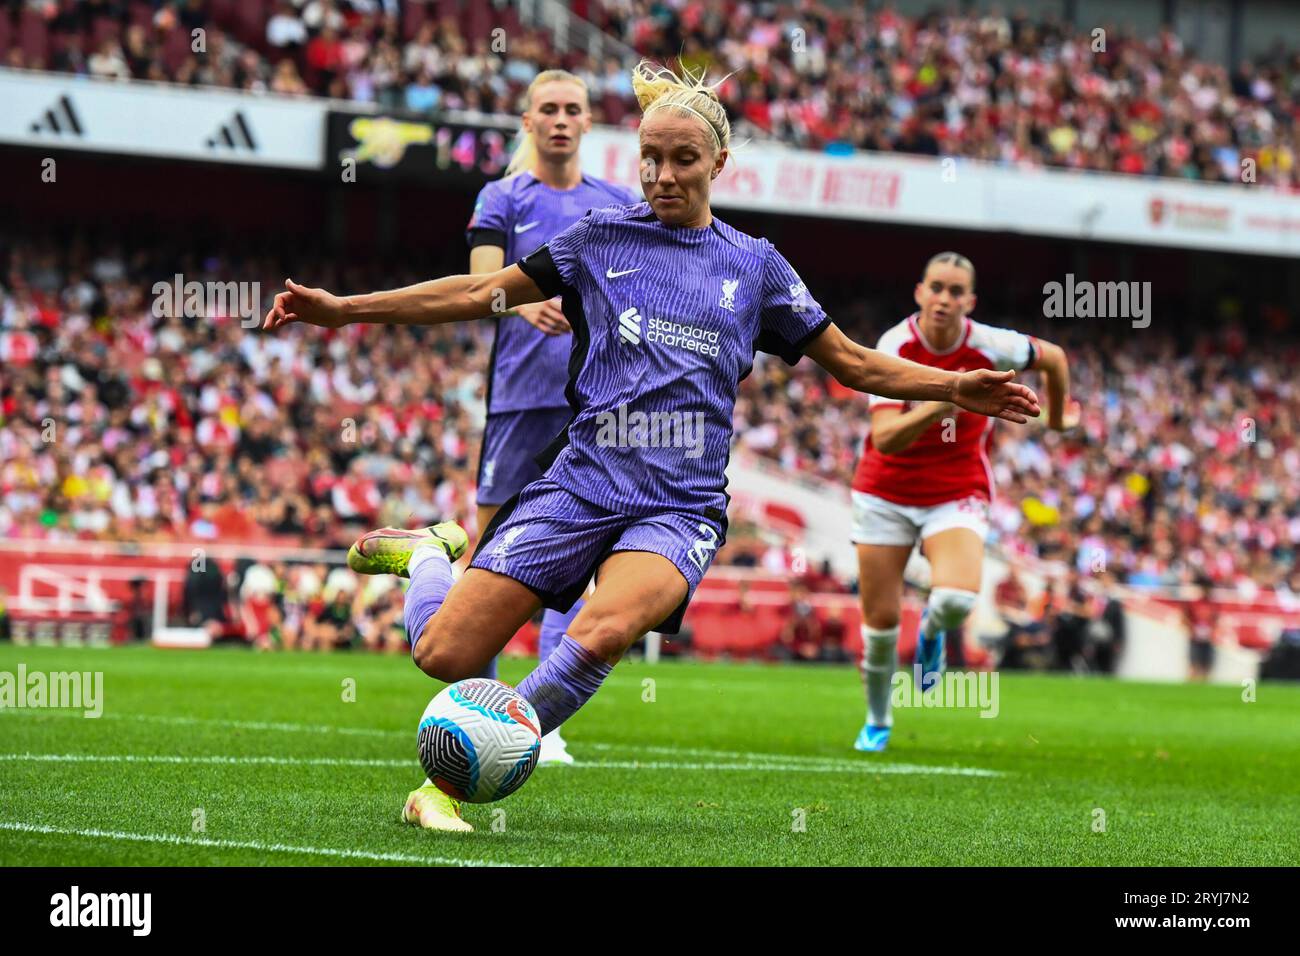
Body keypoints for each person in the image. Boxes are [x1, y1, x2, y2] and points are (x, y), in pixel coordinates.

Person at [262, 61, 1040, 831]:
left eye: (683, 160)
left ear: (719, 163)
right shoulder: (597, 240)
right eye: (651, 159)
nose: (663, 175)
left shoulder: (757, 266)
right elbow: (476, 291)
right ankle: (430, 554)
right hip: (582, 482)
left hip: (679, 505)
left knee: (604, 629)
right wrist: (345, 311)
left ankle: (453, 781)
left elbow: (857, 363)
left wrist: (954, 386)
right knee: (443, 655)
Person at [465, 68, 640, 765]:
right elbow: (480, 289)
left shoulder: (618, 202)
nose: (561, 119)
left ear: (589, 122)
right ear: (528, 120)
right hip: (516, 398)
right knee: (489, 555)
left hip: (591, 405)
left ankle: (543, 719)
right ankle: (481, 704)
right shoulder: (502, 196)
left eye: (573, 109)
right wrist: (515, 300)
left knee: (578, 557)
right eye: (548, 109)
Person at [848, 251, 1075, 752]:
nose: (944, 299)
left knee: (955, 599)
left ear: (970, 302)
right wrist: (945, 398)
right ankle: (878, 720)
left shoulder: (992, 345)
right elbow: (884, 439)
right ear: (919, 292)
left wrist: (1056, 419)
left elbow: (1055, 358)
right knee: (881, 624)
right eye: (937, 288)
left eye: (956, 292)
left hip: (956, 488)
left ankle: (932, 633)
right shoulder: (895, 345)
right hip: (885, 491)